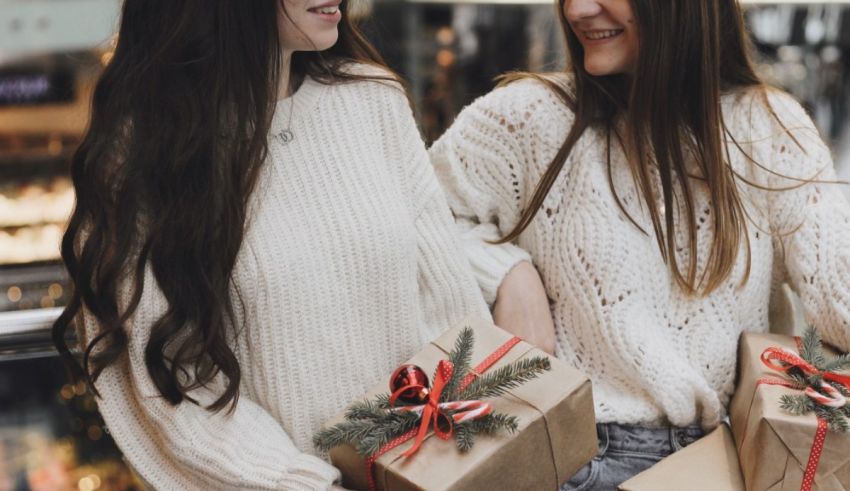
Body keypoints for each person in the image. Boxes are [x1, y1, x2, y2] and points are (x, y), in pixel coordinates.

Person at [51, 0, 488, 489]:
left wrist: (470, 453)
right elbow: (175, 392)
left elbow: (452, 307)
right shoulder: (146, 158)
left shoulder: (374, 99)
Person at [429, 0, 850, 488]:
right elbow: (420, 222)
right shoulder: (527, 117)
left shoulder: (768, 126)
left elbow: (838, 306)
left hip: (722, 461)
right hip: (562, 454)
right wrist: (504, 271)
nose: (579, 10)